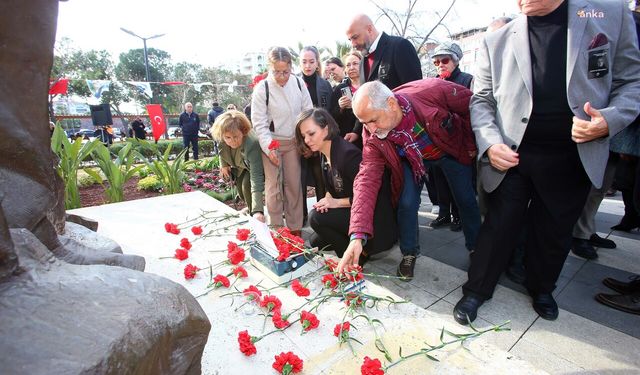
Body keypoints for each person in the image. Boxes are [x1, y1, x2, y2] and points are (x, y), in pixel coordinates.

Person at [453, 0, 640, 326]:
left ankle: (541, 288)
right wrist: (490, 142)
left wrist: (608, 120)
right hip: (513, 154)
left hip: (573, 153)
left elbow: (631, 82)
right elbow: (481, 100)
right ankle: (476, 290)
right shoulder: (496, 39)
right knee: (498, 226)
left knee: (553, 231)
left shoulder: (609, 15)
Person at [337, 79, 480, 281]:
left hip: (449, 149)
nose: (371, 129)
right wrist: (357, 235)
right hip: (413, 158)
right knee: (406, 203)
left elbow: (473, 105)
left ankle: (476, 248)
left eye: (374, 120)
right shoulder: (372, 134)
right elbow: (366, 179)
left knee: (465, 198)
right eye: (364, 123)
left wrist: (469, 141)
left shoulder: (432, 91)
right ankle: (409, 252)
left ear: (392, 104)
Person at [295, 108, 397, 265]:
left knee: (315, 218)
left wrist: (336, 203)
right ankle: (352, 248)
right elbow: (332, 186)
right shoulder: (325, 151)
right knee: (316, 241)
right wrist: (327, 199)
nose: (307, 140)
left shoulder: (348, 155)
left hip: (374, 220)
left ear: (326, 129)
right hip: (352, 210)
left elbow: (374, 196)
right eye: (304, 136)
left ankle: (355, 259)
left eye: (311, 134)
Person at [251, 46, 313, 236]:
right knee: (274, 187)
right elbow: (259, 123)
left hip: (293, 141)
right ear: (270, 68)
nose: (282, 77)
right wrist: (270, 149)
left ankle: (295, 228)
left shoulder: (299, 83)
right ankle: (276, 229)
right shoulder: (263, 88)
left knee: (294, 186)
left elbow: (307, 112)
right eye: (277, 72)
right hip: (272, 142)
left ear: (291, 68)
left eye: (285, 71)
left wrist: (306, 141)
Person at [429, 41, 474, 233]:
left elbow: (473, 111)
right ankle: (444, 213)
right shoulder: (433, 82)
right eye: (436, 62)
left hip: (460, 141)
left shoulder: (467, 79)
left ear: (455, 61)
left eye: (444, 60)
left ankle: (458, 216)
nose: (440, 64)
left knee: (460, 182)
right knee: (439, 180)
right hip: (438, 141)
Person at [212, 110, 265, 223]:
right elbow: (222, 152)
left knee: (247, 186)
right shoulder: (221, 138)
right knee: (241, 192)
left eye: (236, 136)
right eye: (228, 137)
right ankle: (250, 208)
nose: (232, 141)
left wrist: (258, 211)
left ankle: (255, 215)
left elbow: (256, 177)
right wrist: (224, 165)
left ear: (243, 132)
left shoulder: (252, 143)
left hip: (252, 166)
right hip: (239, 166)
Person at [299, 46, 332, 222]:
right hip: (300, 138)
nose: (308, 65)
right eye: (304, 61)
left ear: (317, 62)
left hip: (320, 138)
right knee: (300, 178)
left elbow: (330, 113)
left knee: (321, 176)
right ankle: (301, 215)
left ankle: (322, 212)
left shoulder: (325, 85)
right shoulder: (294, 83)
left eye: (312, 61)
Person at [346, 14, 422, 90]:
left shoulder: (399, 46)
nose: (353, 44)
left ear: (369, 29)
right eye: (350, 40)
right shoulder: (362, 61)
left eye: (355, 37)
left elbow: (415, 90)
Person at [329, 51, 364, 149]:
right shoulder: (340, 88)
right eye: (348, 65)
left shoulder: (369, 85)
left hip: (368, 137)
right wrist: (340, 107)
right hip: (347, 140)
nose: (351, 67)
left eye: (355, 63)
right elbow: (331, 115)